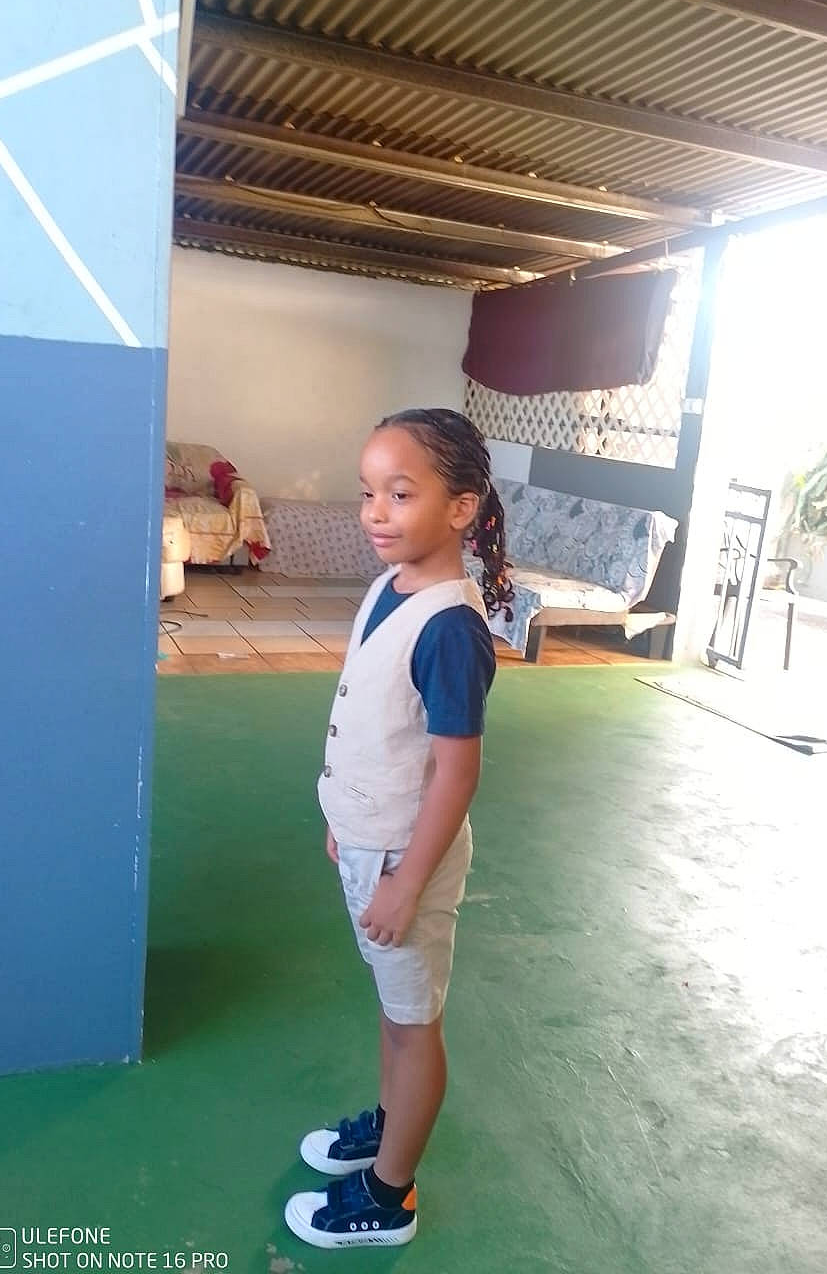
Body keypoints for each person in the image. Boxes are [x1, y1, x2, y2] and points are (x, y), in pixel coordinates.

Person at [284, 408, 514, 1250]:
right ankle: (389, 1128)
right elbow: (380, 729)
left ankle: (389, 1196)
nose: (375, 513)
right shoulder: (392, 585)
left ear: (459, 508)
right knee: (393, 1009)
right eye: (367, 492)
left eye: (400, 493)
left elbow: (456, 771)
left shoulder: (451, 628)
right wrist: (344, 819)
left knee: (414, 1027)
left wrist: (405, 882)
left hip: (404, 862)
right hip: (370, 845)